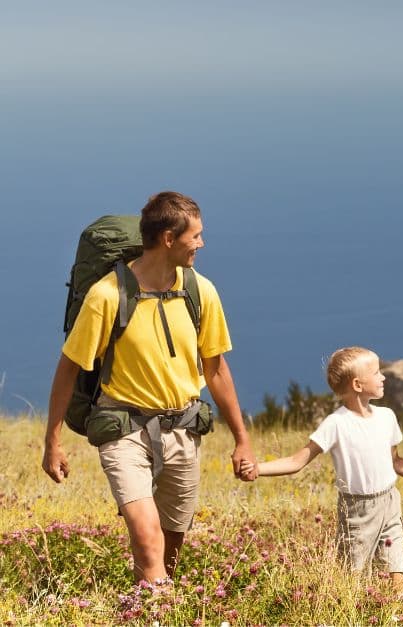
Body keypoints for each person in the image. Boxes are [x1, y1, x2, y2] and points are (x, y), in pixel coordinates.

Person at [41, 191, 257, 585]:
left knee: (170, 548)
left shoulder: (200, 290)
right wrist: (52, 442)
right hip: (124, 430)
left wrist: (241, 439)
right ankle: (156, 612)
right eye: (196, 236)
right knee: (146, 538)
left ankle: (150, 605)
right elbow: (68, 370)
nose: (202, 244)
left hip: (183, 429)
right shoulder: (107, 295)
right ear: (169, 239)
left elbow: (217, 370)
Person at [241, 347, 403, 588]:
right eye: (377, 373)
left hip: (389, 501)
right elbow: (297, 461)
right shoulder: (335, 423)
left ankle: (396, 613)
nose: (383, 377)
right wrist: (258, 468)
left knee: (395, 566)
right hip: (356, 509)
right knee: (352, 574)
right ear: (357, 384)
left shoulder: (387, 417)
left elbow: (396, 461)